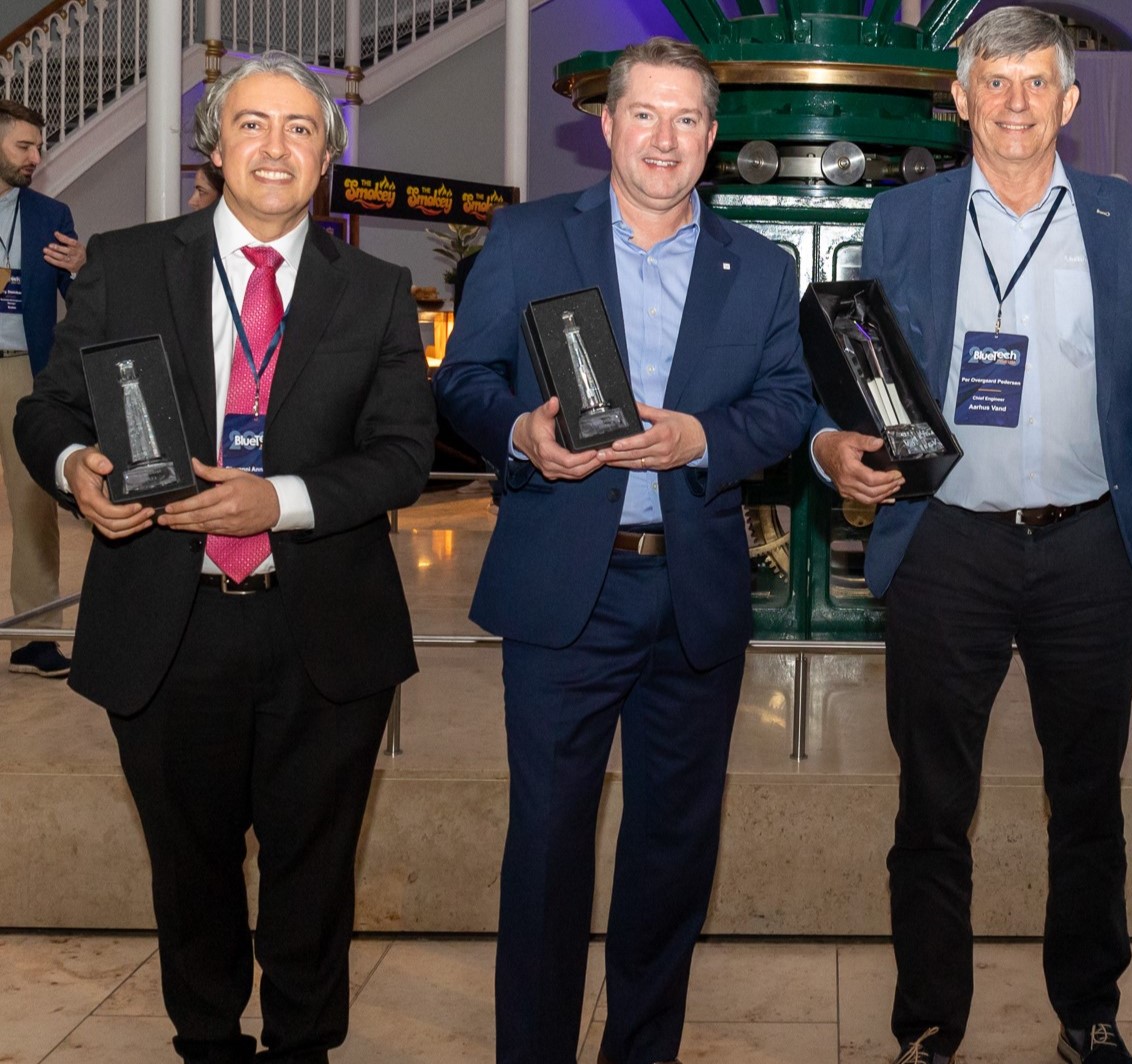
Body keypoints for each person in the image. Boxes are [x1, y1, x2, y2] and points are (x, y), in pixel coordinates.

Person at [12, 52, 434, 1061]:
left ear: (328, 154)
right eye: (251, 124)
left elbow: (404, 454)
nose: (275, 146)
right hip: (166, 617)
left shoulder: (376, 291)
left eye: (299, 127)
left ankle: (301, 1043)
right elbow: (50, 409)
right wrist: (77, 468)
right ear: (213, 146)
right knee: (188, 865)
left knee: (314, 866)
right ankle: (204, 1038)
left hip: (321, 622)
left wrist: (278, 500)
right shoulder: (123, 261)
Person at [432, 37, 814, 1064]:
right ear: (603, 124)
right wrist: (525, 433)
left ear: (713, 136)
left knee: (672, 850)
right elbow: (465, 379)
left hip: (692, 591)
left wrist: (702, 439)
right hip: (565, 588)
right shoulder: (525, 237)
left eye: (687, 117)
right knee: (548, 846)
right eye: (643, 113)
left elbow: (788, 403)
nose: (664, 137)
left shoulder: (761, 266)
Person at [807, 8, 1132, 1062]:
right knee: (930, 803)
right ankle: (928, 1020)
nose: (1015, 103)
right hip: (945, 543)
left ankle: (1089, 1010)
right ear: (959, 98)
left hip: (1087, 547)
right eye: (993, 82)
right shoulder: (902, 219)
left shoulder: (1129, 222)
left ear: (1069, 100)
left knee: (1089, 800)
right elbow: (853, 374)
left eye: (1036, 83)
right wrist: (840, 446)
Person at [0, 99, 85, 678]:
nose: (37, 157)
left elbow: (83, 308)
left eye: (38, 147)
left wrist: (81, 268)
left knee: (33, 502)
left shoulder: (51, 213)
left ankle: (35, 635)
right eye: (24, 146)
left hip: (22, 370)